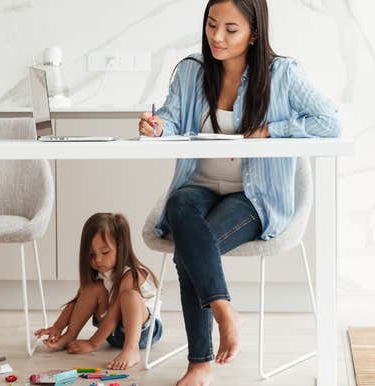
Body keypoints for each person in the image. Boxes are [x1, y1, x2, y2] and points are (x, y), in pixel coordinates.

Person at [138, 0, 341, 384]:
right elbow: (169, 115)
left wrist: (271, 131)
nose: (217, 36)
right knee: (180, 203)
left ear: (253, 34)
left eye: (230, 29)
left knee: (189, 249)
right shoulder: (190, 71)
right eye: (212, 25)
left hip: (254, 196)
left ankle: (199, 363)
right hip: (198, 187)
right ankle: (225, 311)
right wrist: (157, 126)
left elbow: (330, 122)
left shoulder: (282, 73)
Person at [34, 213, 162, 370]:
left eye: (105, 252)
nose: (98, 260)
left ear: (121, 247)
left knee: (129, 296)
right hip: (113, 333)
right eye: (92, 254)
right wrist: (58, 327)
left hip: (143, 333)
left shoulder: (132, 274)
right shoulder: (102, 276)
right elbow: (77, 302)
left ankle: (131, 349)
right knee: (89, 289)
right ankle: (69, 337)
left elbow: (115, 314)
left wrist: (92, 343)